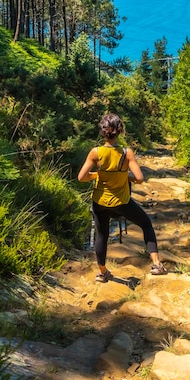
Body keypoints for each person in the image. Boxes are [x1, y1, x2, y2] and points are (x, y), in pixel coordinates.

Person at [78, 112, 167, 282]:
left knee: (102, 234)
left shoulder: (95, 152)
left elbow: (81, 178)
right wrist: (125, 176)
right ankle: (156, 264)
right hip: (122, 202)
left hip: (100, 201)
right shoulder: (127, 153)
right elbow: (140, 178)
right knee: (146, 224)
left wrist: (98, 175)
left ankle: (102, 273)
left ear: (103, 131)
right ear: (120, 131)